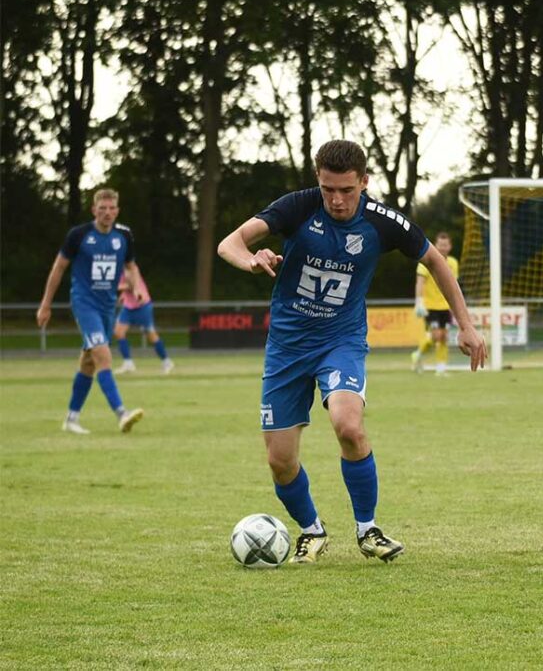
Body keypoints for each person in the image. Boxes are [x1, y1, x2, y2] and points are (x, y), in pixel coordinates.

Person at [217, 140, 486, 565]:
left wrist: (466, 325)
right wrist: (250, 260)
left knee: (348, 426)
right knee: (280, 460)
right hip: (287, 347)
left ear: (364, 182)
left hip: (340, 341)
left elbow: (435, 261)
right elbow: (229, 243)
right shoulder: (297, 207)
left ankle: (367, 529)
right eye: (328, 189)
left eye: (346, 190)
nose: (337, 200)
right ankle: (312, 531)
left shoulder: (382, 222)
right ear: (318, 181)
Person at [35, 188, 145, 435]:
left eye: (111, 208)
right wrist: (45, 304)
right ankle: (122, 414)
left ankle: (71, 419)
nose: (107, 213)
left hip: (107, 307)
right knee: (103, 356)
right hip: (84, 304)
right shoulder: (79, 235)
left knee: (88, 362)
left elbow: (131, 266)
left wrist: (136, 288)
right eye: (102, 208)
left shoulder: (124, 236)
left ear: (117, 210)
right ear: (94, 210)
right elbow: (58, 268)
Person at [411, 231, 459, 375]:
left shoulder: (453, 263)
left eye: (445, 245)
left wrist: (455, 305)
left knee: (444, 336)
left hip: (445, 306)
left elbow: (453, 285)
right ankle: (418, 353)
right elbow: (420, 282)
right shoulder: (427, 261)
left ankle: (441, 368)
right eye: (440, 245)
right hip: (430, 305)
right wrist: (419, 301)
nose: (443, 247)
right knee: (436, 335)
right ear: (435, 245)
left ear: (450, 246)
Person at [113, 268, 175, 375]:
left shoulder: (130, 268)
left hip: (142, 305)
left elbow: (131, 285)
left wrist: (113, 287)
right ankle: (128, 363)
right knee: (118, 332)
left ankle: (166, 361)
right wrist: (123, 294)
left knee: (151, 335)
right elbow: (125, 286)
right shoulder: (119, 270)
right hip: (128, 307)